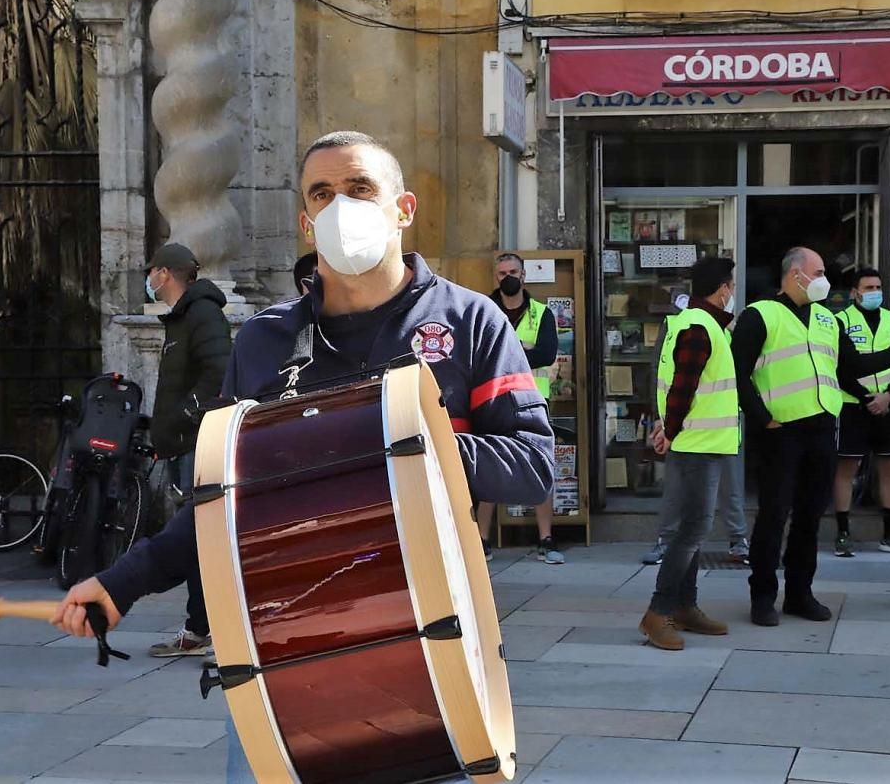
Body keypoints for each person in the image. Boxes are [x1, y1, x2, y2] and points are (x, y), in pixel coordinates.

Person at [50, 131, 554, 782]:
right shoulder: (265, 342)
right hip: (282, 658)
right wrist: (120, 585)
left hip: (428, 656)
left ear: (403, 208)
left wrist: (406, 439)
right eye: (322, 193)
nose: (340, 206)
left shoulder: (472, 321)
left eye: (359, 188)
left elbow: (533, 463)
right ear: (306, 223)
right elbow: (219, 500)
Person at [731, 247, 890, 627]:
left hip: (822, 430)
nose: (825, 278)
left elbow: (853, 366)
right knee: (774, 516)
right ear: (795, 274)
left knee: (809, 517)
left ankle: (800, 594)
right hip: (780, 433)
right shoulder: (761, 315)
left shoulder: (827, 318)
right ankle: (762, 597)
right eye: (819, 271)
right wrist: (763, 420)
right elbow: (738, 376)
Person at [639, 257, 739, 650]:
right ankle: (658, 611)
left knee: (691, 531)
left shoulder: (692, 323)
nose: (732, 292)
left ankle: (684, 607)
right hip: (697, 444)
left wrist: (666, 428)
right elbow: (683, 387)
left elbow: (674, 386)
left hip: (696, 441)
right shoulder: (700, 328)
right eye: (730, 285)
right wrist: (671, 430)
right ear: (722, 289)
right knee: (692, 531)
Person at [144, 243, 233, 658]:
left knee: (203, 540)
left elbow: (218, 370)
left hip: (197, 442)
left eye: (153, 272)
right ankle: (202, 626)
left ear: (165, 273)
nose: (150, 280)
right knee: (199, 541)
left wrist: (184, 415)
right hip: (182, 443)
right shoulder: (181, 318)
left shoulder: (202, 314)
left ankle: (206, 628)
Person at [475, 252, 564, 564]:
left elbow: (547, 353)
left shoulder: (542, 314)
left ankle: (546, 539)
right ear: (494, 277)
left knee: (539, 465)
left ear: (524, 275)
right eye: (501, 273)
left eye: (513, 271)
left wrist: (507, 352)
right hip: (492, 401)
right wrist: (523, 349)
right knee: (486, 467)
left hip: (531, 402)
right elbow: (478, 356)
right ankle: (481, 540)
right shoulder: (482, 310)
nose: (507, 277)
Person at [831, 268, 890, 557]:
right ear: (854, 292)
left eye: (878, 286)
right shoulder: (840, 321)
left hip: (887, 405)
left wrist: (889, 395)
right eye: (868, 287)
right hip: (852, 405)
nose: (874, 291)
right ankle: (842, 532)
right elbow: (839, 368)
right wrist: (866, 399)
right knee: (846, 470)